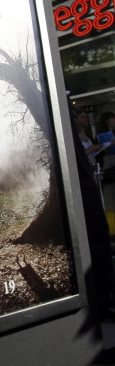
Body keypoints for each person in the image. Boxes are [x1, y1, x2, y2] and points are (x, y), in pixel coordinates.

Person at [71, 107, 115, 320]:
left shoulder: (85, 136)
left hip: (89, 179)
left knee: (99, 232)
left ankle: (105, 296)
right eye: (81, 117)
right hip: (84, 182)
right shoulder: (77, 138)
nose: (84, 120)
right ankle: (102, 299)